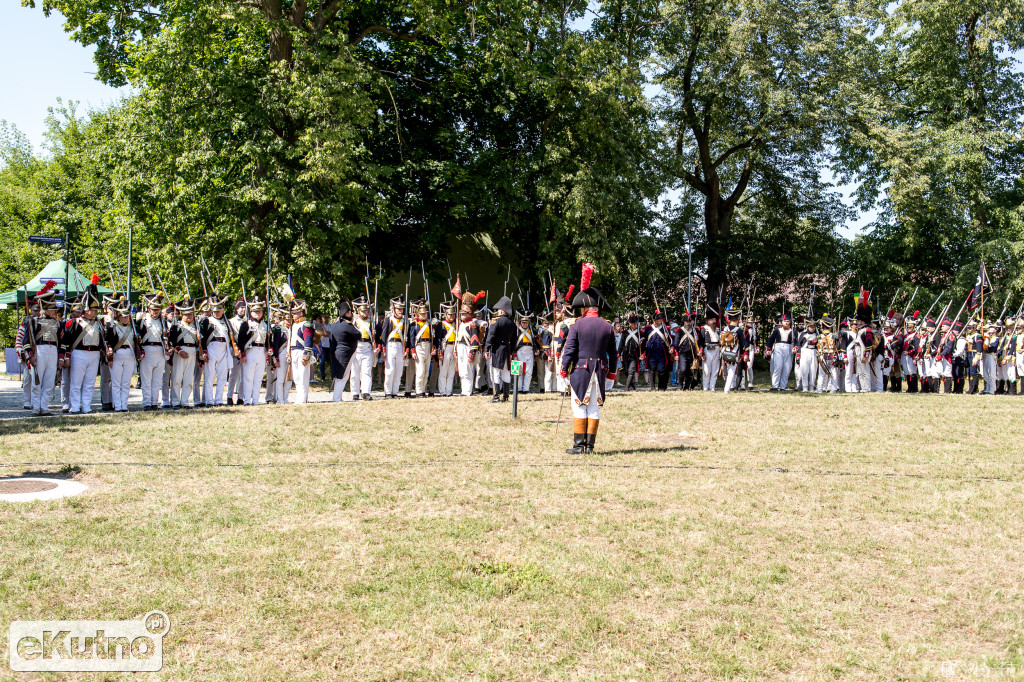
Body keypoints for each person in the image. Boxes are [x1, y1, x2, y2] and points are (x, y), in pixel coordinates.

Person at [560, 264, 617, 454]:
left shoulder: (577, 325)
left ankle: (578, 446)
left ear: (584, 308)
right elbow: (613, 354)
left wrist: (563, 369)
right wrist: (611, 375)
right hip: (600, 371)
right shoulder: (607, 326)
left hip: (581, 371)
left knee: (578, 407)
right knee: (593, 407)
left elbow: (569, 350)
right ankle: (590, 447)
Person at [61, 280, 106, 414]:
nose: (95, 312)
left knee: (90, 383)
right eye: (93, 309)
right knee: (76, 382)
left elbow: (102, 340)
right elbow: (66, 341)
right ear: (86, 310)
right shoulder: (74, 323)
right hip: (79, 353)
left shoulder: (98, 324)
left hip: (94, 354)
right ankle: (74, 406)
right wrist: (66, 357)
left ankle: (87, 406)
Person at [25, 282, 62, 416]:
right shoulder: (33, 322)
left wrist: (60, 356)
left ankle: (44, 407)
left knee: (49, 381)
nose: (54, 312)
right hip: (39, 350)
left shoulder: (57, 323)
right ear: (45, 309)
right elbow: (26, 342)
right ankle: (35, 407)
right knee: (37, 381)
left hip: (53, 351)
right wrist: (31, 356)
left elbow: (60, 340)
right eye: (52, 309)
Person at [199, 296, 233, 406]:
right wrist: (204, 350)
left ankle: (218, 400)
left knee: (222, 376)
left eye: (218, 311)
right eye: (214, 311)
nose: (216, 313)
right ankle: (209, 400)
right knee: (209, 376)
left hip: (223, 348)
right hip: (211, 347)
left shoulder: (226, 322)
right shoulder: (207, 321)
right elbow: (202, 337)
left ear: (223, 311)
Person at [236, 297, 271, 406]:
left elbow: (268, 340)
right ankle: (247, 400)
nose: (257, 313)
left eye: (259, 311)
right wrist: (242, 354)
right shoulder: (246, 324)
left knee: (258, 378)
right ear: (251, 312)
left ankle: (255, 399)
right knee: (248, 377)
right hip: (250, 351)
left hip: (261, 352)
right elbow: (241, 340)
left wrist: (269, 349)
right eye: (255, 311)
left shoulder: (265, 325)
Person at [137, 293, 169, 411]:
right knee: (146, 380)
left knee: (157, 380)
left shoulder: (162, 322)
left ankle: (154, 402)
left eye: (157, 309)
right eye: (153, 309)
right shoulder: (142, 321)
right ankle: (146, 403)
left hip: (160, 351)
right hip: (147, 349)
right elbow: (138, 337)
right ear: (149, 309)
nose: (155, 312)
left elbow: (166, 337)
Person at [104, 301, 138, 413]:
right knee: (116, 382)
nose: (125, 319)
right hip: (117, 354)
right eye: (122, 317)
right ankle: (117, 405)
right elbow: (108, 342)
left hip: (129, 354)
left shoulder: (133, 327)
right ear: (118, 317)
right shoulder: (112, 326)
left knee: (126, 383)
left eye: (126, 317)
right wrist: (109, 358)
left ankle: (124, 404)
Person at [167, 300, 200, 409]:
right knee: (177, 378)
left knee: (188, 379)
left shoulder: (196, 326)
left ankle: (185, 401)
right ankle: (176, 402)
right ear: (182, 315)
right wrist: (179, 351)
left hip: (192, 352)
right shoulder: (177, 326)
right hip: (180, 352)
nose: (189, 316)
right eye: (186, 314)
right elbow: (171, 340)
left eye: (190, 314)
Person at [484, 296, 516, 402]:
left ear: (502, 310)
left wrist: (486, 349)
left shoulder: (496, 322)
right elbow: (514, 340)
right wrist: (511, 352)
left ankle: (496, 396)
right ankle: (506, 396)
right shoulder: (512, 323)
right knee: (506, 372)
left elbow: (491, 336)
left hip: (497, 350)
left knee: (496, 372)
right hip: (507, 350)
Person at [328, 299, 361, 401]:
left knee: (339, 375)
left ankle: (337, 397)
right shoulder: (347, 325)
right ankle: (337, 398)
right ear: (347, 313)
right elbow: (358, 334)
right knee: (343, 376)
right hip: (346, 353)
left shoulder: (334, 325)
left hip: (336, 352)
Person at [377, 297, 407, 399]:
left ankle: (395, 392)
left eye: (402, 309)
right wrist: (383, 350)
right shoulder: (388, 319)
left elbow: (405, 336)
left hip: (400, 346)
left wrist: (406, 350)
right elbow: (384, 335)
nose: (400, 311)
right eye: (398, 309)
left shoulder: (404, 321)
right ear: (394, 309)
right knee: (390, 371)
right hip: (390, 345)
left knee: (399, 371)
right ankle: (388, 392)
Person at [348, 296, 376, 400]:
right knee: (355, 372)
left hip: (367, 347)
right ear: (359, 311)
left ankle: (366, 392)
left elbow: (375, 336)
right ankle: (355, 393)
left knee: (366, 371)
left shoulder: (372, 322)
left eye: (367, 311)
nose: (366, 313)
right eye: (364, 311)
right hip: (357, 347)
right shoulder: (354, 321)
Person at [288, 299, 316, 403]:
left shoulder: (305, 324)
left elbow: (308, 340)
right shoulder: (294, 325)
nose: (293, 315)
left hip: (301, 352)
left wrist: (306, 355)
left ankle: (303, 398)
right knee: (296, 377)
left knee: (303, 377)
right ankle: (300, 397)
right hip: (294, 352)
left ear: (300, 313)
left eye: (295, 313)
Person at [767, 313, 795, 391]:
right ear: (781, 322)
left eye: (788, 321)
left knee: (787, 368)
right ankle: (775, 386)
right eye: (785, 321)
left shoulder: (793, 330)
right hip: (778, 348)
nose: (786, 323)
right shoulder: (777, 329)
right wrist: (768, 348)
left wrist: (795, 347)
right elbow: (771, 339)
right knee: (778, 367)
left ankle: (783, 386)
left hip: (788, 348)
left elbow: (796, 341)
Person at [226, 299, 247, 404]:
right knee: (233, 375)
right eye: (241, 308)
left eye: (244, 307)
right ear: (237, 309)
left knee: (244, 376)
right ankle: (229, 397)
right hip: (235, 349)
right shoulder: (231, 321)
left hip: (246, 350)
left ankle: (241, 397)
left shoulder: (248, 321)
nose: (243, 310)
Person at [720, 306, 746, 393]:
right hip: (734, 353)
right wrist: (742, 354)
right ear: (737, 319)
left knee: (728, 370)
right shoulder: (738, 330)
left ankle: (728, 388)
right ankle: (727, 389)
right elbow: (742, 344)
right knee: (731, 371)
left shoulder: (725, 328)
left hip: (725, 352)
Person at [674, 314, 700, 390]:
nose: (688, 323)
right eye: (687, 322)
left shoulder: (695, 331)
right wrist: (676, 354)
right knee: (683, 370)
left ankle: (687, 387)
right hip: (683, 353)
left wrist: (700, 350)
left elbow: (699, 342)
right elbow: (676, 343)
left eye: (690, 322)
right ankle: (680, 385)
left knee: (691, 371)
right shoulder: (680, 330)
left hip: (692, 354)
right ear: (684, 322)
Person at [618, 313, 643, 390]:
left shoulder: (639, 333)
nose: (635, 325)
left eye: (636, 323)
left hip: (634, 355)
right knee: (626, 371)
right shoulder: (625, 333)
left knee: (631, 371)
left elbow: (643, 346)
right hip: (626, 355)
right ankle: (631, 387)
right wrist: (618, 353)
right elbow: (621, 344)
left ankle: (626, 388)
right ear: (629, 324)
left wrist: (642, 353)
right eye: (633, 323)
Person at [699, 308, 722, 391]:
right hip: (707, 350)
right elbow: (701, 341)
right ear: (708, 321)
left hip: (716, 349)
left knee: (715, 370)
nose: (714, 321)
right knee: (706, 370)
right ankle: (705, 387)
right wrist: (701, 352)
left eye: (714, 319)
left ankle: (712, 387)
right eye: (712, 319)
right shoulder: (703, 329)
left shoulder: (718, 330)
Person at [795, 317, 820, 393]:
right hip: (805, 352)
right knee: (804, 370)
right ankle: (805, 386)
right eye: (811, 327)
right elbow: (799, 345)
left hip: (814, 352)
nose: (812, 328)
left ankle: (812, 386)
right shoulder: (803, 334)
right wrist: (798, 355)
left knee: (813, 369)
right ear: (808, 327)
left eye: (814, 327)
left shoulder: (817, 335)